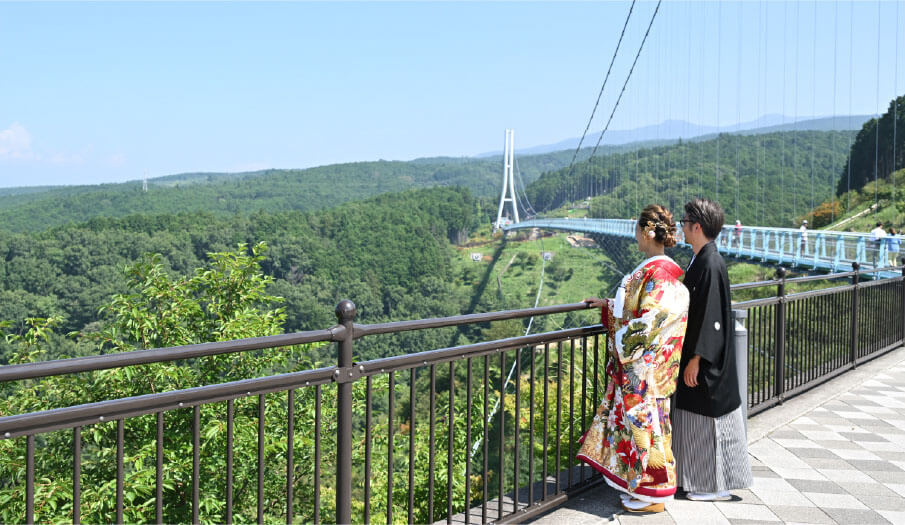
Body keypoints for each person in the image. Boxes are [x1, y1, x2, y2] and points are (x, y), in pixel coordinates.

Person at [577, 204, 689, 513]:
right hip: (662, 366)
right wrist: (612, 305)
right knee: (656, 429)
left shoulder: (652, 274)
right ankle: (649, 491)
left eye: (637, 232)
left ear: (646, 232)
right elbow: (649, 314)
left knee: (645, 432)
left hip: (643, 369)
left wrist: (618, 328)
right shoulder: (667, 273)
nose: (636, 238)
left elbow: (643, 322)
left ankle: (653, 495)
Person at [673, 198, 752, 501]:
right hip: (698, 357)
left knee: (709, 424)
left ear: (697, 226)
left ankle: (713, 486)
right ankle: (699, 481)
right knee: (697, 423)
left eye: (685, 222)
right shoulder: (702, 259)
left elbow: (711, 316)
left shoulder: (709, 261)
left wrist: (696, 358)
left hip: (704, 362)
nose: (682, 227)